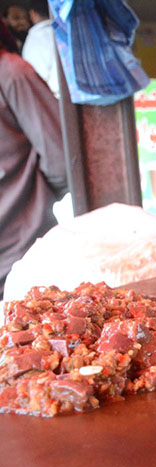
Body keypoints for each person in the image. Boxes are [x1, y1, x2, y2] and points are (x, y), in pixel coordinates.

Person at [0, 18, 67, 299]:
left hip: (23, 257)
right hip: (23, 245)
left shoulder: (11, 74)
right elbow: (62, 163)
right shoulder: (11, 73)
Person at [21, 0, 59, 98]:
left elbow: (39, 76)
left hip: (57, 99)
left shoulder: (34, 40)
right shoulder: (64, 30)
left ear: (32, 13)